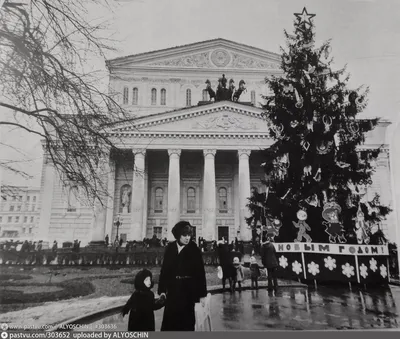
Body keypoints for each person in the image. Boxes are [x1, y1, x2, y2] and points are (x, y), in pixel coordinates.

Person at [158, 221, 207, 331]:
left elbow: (200, 273)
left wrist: (202, 294)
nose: (187, 238)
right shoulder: (170, 248)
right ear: (178, 235)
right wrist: (162, 290)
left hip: (187, 292)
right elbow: (164, 271)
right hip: (172, 292)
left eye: (189, 235)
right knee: (170, 323)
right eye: (184, 235)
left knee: (186, 323)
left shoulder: (194, 249)